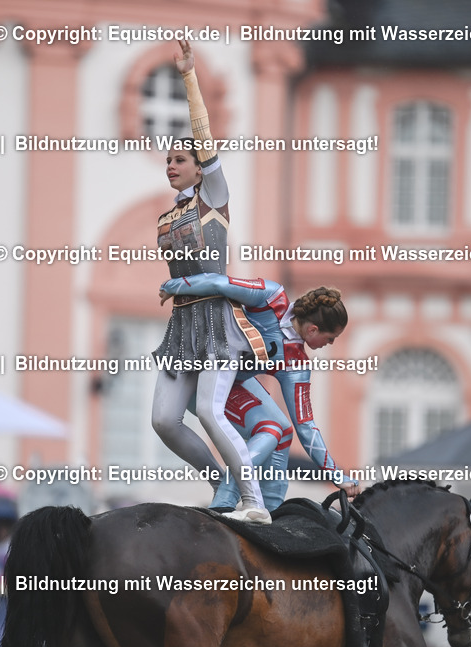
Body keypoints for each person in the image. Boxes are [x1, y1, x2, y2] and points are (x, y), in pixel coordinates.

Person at [150, 40, 268, 524]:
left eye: (181, 159)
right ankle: (219, 480)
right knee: (163, 420)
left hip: (217, 324)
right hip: (182, 328)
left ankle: (254, 502)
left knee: (209, 411)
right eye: (168, 160)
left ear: (202, 167)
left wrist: (188, 77)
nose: (171, 164)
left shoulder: (211, 201)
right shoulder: (166, 217)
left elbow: (203, 131)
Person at [160, 274, 360, 511]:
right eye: (331, 338)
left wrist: (336, 475)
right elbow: (219, 283)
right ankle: (224, 497)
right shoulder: (272, 297)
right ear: (313, 329)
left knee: (284, 431)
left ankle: (272, 513)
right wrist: (172, 286)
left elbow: (305, 427)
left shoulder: (297, 363)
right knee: (271, 429)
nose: (331, 344)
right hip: (200, 379)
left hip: (231, 381)